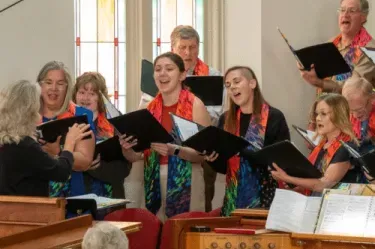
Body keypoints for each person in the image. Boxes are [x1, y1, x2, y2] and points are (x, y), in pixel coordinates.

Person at [123, 52, 211, 222]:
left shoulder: (195, 105)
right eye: (158, 69)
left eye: (169, 69)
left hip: (188, 179)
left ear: (182, 75)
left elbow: (203, 154)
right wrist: (126, 150)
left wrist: (175, 150)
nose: (162, 73)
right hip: (152, 178)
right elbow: (139, 156)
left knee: (182, 236)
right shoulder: (149, 108)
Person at [205, 66, 290, 217]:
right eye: (228, 85)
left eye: (237, 81)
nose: (232, 88)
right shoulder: (226, 119)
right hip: (233, 195)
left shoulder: (274, 116)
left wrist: (243, 151)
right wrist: (212, 159)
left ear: (252, 84)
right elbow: (225, 167)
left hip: (265, 195)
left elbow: (281, 161)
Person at [0, 80, 91, 197]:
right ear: (30, 111)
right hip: (29, 212)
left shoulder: (7, 142)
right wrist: (70, 142)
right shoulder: (26, 146)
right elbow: (62, 173)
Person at [271, 93, 362, 195]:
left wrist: (288, 178)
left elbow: (323, 185)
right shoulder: (321, 146)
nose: (318, 118)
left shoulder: (346, 147)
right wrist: (296, 186)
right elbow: (315, 186)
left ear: (339, 115)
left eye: (323, 114)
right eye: (317, 114)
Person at [37, 61, 95, 197]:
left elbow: (85, 161)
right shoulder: (28, 115)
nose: (54, 88)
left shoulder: (79, 115)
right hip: (35, 194)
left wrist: (58, 152)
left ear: (67, 87)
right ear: (40, 85)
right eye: (48, 82)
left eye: (60, 83)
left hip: (70, 196)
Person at [298, 0, 375, 94]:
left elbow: (352, 91)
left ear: (363, 17)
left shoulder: (370, 50)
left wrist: (319, 83)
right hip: (325, 105)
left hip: (351, 108)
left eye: (352, 11)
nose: (345, 14)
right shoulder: (330, 44)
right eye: (342, 10)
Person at [73, 72, 131, 198]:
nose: (85, 98)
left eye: (92, 94)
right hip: (76, 194)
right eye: (82, 92)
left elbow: (124, 168)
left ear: (100, 97)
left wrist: (94, 166)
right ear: (75, 95)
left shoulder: (115, 120)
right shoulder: (67, 122)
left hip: (110, 195)